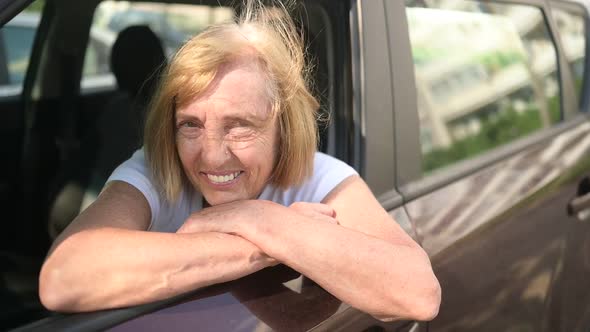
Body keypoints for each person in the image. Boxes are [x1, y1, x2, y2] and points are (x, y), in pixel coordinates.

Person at [39, 0, 441, 322]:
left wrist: (260, 219)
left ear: (284, 127)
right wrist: (268, 246)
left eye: (239, 127)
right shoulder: (154, 168)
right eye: (191, 125)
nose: (212, 155)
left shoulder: (318, 174)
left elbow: (418, 293)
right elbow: (63, 277)